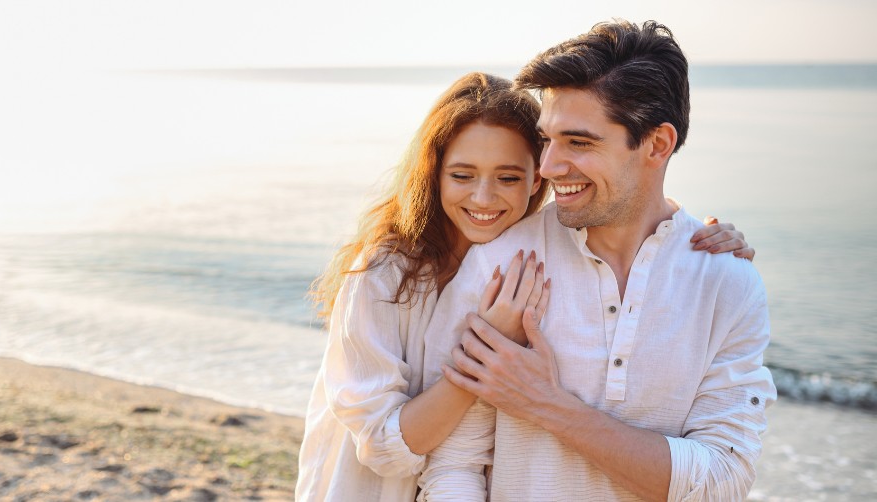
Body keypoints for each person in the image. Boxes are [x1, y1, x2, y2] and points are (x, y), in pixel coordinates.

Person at [295, 71, 754, 501]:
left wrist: (684, 238)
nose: (483, 197)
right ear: (433, 174)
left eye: (508, 178)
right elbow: (383, 446)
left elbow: (630, 200)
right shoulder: (384, 273)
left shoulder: (518, 258)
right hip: (368, 488)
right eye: (462, 175)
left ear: (538, 178)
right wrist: (488, 353)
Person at [421, 20, 776, 501]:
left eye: (579, 142)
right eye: (547, 140)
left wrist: (548, 405)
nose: (547, 168)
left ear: (657, 144)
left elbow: (721, 480)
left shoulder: (725, 280)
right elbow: (452, 467)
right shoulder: (501, 264)